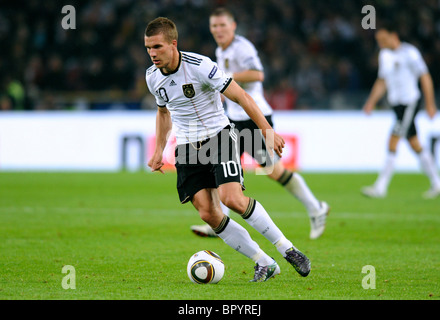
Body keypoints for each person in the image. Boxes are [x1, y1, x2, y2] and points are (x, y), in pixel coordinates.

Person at [145, 17, 311, 282]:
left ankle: (287, 249)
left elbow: (242, 96)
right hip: (188, 146)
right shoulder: (152, 77)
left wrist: (267, 130)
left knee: (231, 198)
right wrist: (158, 149)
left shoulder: (201, 67)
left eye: (158, 47)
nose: (153, 53)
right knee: (208, 213)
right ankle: (264, 262)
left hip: (219, 136)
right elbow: (163, 112)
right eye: (149, 48)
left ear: (173, 44)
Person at [190, 8, 329, 240]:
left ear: (233, 26)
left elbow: (258, 75)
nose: (218, 30)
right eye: (214, 26)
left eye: (223, 25)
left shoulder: (243, 47)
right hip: (233, 119)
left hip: (254, 120)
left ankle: (316, 208)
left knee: (275, 172)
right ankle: (220, 221)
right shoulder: (219, 50)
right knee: (223, 168)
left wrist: (227, 76)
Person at [362, 24, 440, 199]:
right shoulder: (385, 56)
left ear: (393, 35)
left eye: (383, 40)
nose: (380, 44)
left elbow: (425, 76)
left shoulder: (410, 53)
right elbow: (382, 81)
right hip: (396, 106)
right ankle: (437, 183)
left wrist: (430, 104)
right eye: (378, 41)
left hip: (409, 103)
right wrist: (370, 102)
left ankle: (380, 187)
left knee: (393, 141)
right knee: (414, 143)